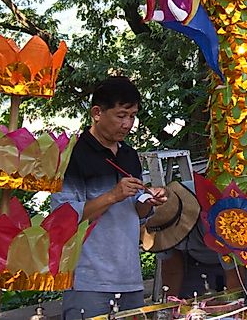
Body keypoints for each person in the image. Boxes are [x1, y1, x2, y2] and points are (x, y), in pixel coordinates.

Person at [53, 76, 170, 319]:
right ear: (97, 112)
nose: (128, 124)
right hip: (88, 281)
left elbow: (136, 215)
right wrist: (113, 195)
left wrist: (148, 202)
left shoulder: (129, 155)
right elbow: (62, 219)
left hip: (130, 278)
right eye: (121, 115)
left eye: (133, 116)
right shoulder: (72, 155)